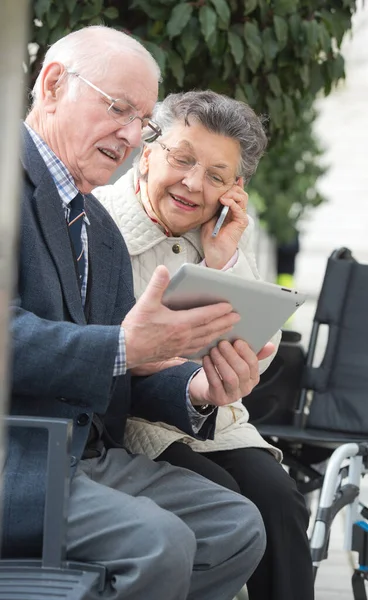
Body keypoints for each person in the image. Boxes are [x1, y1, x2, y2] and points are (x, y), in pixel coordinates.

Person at [4, 26, 273, 600]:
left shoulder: (93, 225)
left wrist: (199, 388)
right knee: (162, 542)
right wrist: (124, 347)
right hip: (18, 458)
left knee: (238, 527)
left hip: (84, 457)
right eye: (118, 109)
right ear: (52, 83)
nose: (129, 136)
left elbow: (133, 364)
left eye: (141, 122)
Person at [94, 90, 314, 600]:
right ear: (147, 154)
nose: (194, 184)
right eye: (182, 159)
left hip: (214, 422)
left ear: (234, 188)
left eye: (216, 175)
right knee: (226, 498)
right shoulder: (99, 221)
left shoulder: (220, 236)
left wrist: (222, 259)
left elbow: (262, 342)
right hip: (129, 423)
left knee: (280, 502)